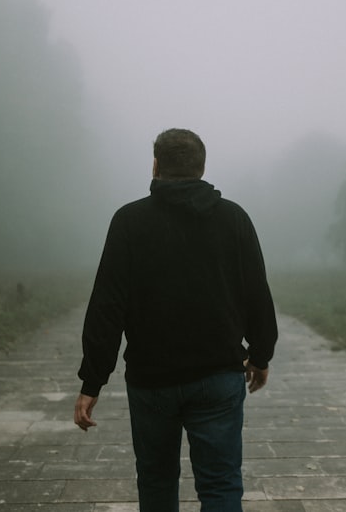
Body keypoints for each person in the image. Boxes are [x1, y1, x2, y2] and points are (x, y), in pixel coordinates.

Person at [74, 128, 279, 511]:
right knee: (220, 487)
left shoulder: (129, 222)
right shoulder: (234, 219)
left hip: (152, 382)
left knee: (156, 481)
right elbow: (257, 294)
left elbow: (107, 306)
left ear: (155, 166)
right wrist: (261, 355)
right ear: (202, 168)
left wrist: (92, 381)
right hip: (218, 378)